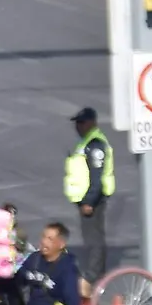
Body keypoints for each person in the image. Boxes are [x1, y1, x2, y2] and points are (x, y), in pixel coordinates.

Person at [64, 108, 112, 286]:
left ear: (91, 122)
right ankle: (96, 271)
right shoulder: (86, 143)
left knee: (94, 239)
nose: (78, 126)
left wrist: (89, 201)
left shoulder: (95, 144)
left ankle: (94, 274)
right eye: (77, 123)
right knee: (91, 237)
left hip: (92, 201)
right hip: (86, 199)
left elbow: (97, 177)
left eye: (81, 122)